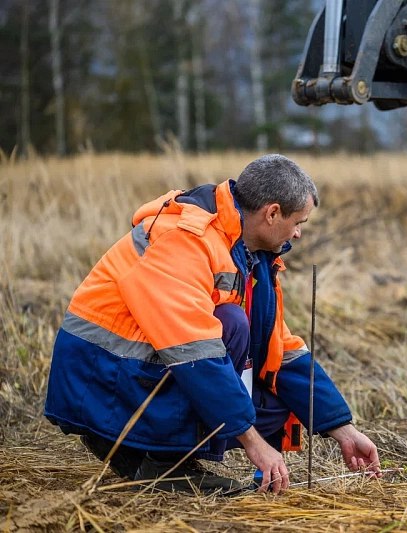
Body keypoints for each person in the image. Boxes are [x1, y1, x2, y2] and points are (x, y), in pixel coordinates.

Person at [44, 154, 382, 494]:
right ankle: (161, 463)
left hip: (146, 374)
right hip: (102, 386)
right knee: (231, 323)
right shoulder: (184, 239)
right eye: (299, 222)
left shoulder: (252, 256)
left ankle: (171, 453)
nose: (298, 233)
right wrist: (252, 441)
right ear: (272, 213)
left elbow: (282, 351)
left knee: (276, 407)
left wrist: (342, 427)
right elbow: (194, 354)